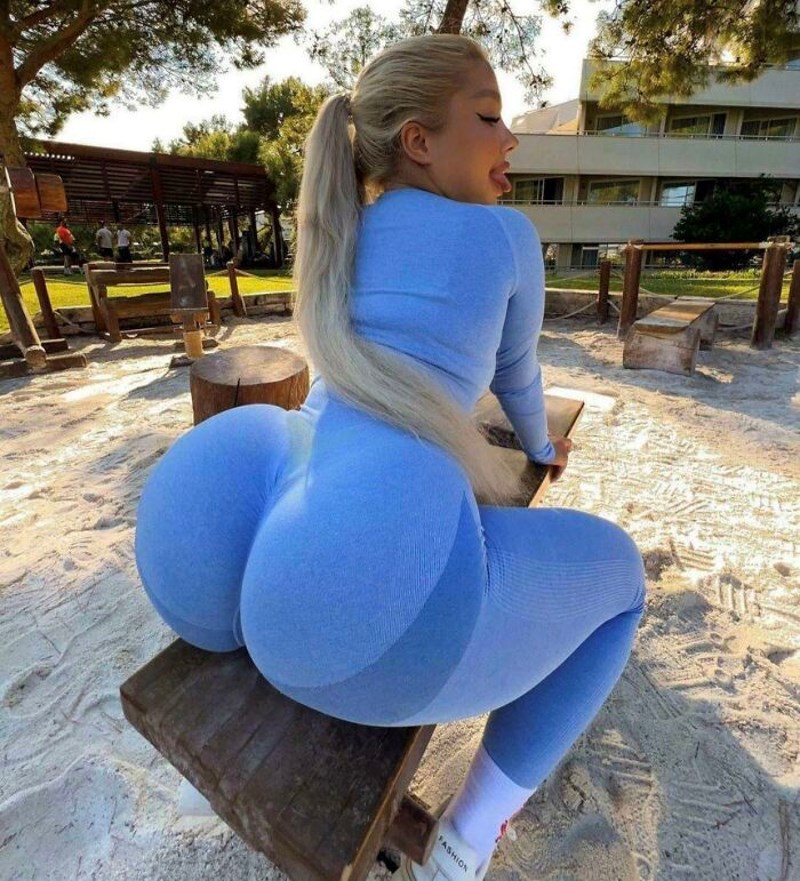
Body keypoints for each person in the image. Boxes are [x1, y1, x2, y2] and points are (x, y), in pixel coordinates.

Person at [135, 34, 645, 881]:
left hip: (247, 541)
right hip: (361, 609)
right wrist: (541, 445)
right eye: (489, 117)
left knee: (306, 447)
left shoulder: (346, 226)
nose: (511, 138)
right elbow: (518, 378)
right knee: (621, 580)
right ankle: (468, 833)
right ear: (419, 140)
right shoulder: (505, 235)